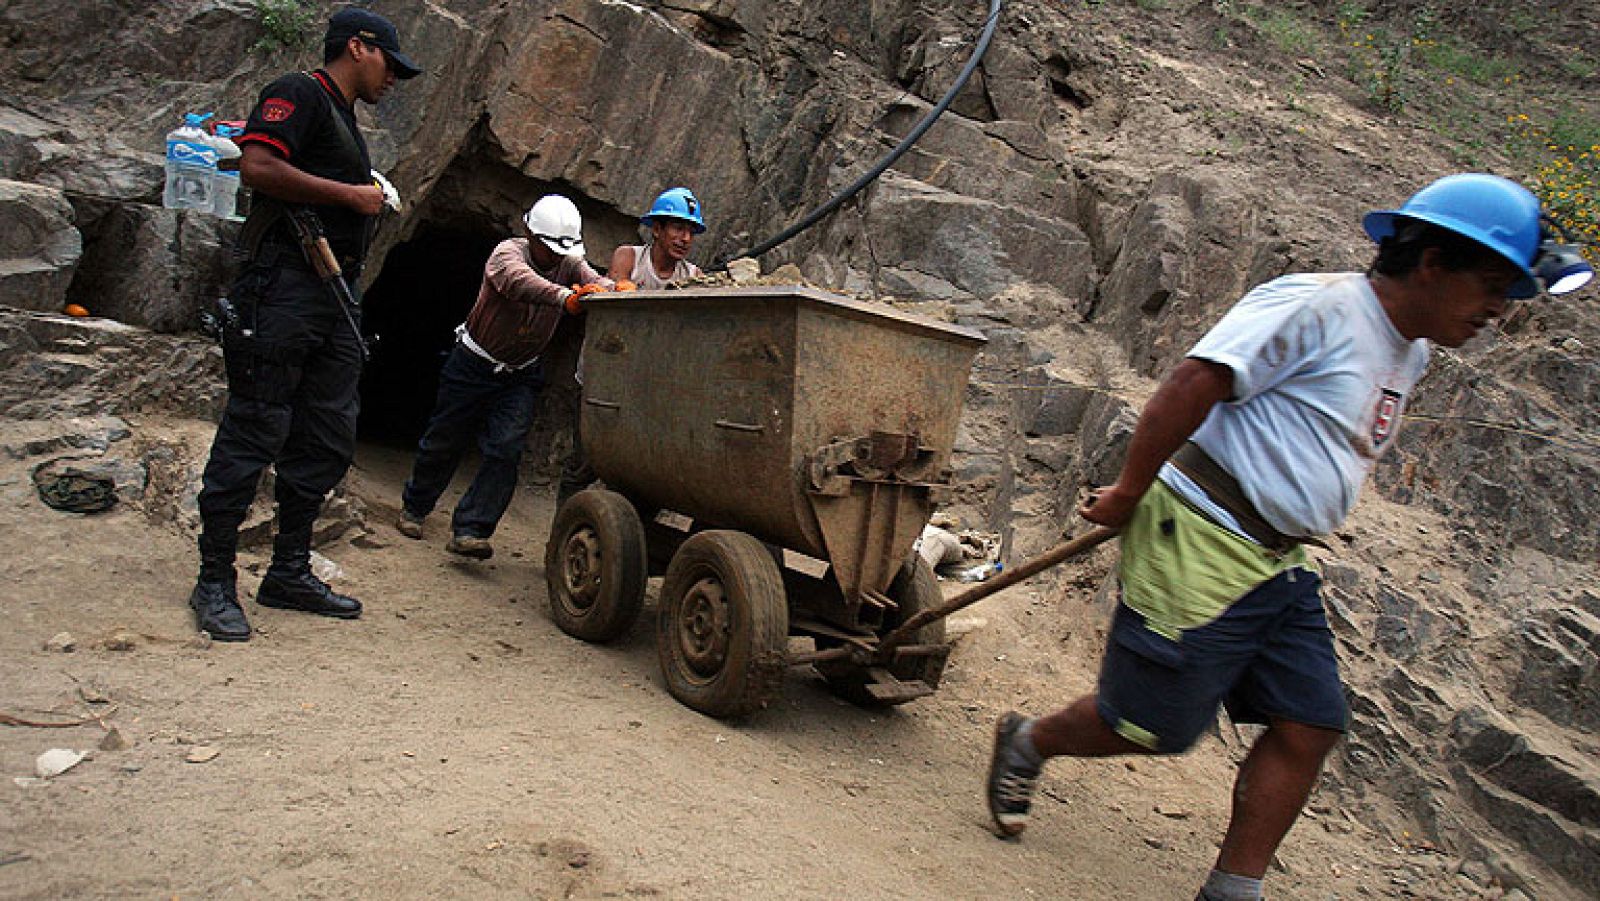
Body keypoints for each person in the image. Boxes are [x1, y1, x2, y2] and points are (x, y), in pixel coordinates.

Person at [982, 173, 1589, 901]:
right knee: (1151, 726)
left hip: (1277, 557)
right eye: (1492, 285)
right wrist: (1129, 491)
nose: (1499, 309)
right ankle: (1028, 740)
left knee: (1310, 722)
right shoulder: (1317, 306)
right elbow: (1193, 382)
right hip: (1201, 534)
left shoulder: (1412, 350)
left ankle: (1233, 888)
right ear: (1431, 263)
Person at [189, 7, 421, 643]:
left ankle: (287, 570)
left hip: (330, 296)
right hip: (282, 288)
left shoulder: (343, 118)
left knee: (325, 433)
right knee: (256, 426)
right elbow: (257, 166)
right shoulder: (298, 92)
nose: (394, 79)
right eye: (390, 64)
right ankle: (214, 579)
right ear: (357, 47)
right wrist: (352, 196)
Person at [396, 195, 612, 559]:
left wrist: (608, 289)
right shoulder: (506, 254)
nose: (556, 257)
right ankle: (415, 507)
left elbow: (591, 279)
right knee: (444, 440)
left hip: (520, 373)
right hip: (473, 363)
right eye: (549, 248)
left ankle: (471, 529)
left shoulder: (569, 262)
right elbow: (518, 282)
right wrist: (566, 298)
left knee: (506, 449)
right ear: (531, 235)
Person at [554, 187, 706, 506]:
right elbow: (616, 288)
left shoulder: (693, 276)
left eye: (691, 231)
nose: (685, 238)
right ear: (657, 229)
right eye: (678, 228)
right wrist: (620, 289)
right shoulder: (630, 257)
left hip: (649, 388)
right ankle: (561, 541)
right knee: (584, 464)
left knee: (642, 473)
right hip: (603, 380)